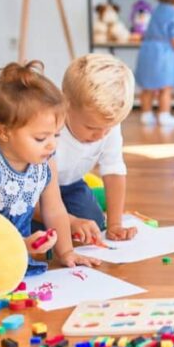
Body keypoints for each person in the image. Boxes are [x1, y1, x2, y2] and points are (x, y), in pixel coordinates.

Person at [0, 61, 100, 275]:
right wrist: (19, 244)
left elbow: (55, 209)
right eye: (41, 138)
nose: (52, 144)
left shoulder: (46, 161)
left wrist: (66, 252)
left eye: (56, 135)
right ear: (4, 132)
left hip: (11, 246)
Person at [54, 53, 137, 242]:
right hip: (31, 190)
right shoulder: (48, 131)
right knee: (45, 230)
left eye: (107, 129)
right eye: (91, 128)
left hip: (71, 184)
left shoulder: (107, 124)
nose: (100, 136)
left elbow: (114, 169)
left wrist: (115, 224)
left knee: (95, 224)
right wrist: (68, 221)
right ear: (65, 105)